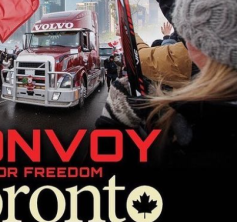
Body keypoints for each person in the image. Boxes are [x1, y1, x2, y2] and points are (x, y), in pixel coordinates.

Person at [97, 0, 237, 167]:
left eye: (187, 35)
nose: (186, 42)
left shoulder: (197, 135)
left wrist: (112, 125)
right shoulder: (204, 112)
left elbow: (141, 59)